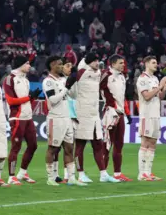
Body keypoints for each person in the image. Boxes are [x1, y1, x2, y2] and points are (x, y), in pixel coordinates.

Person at [69, 53, 119, 183]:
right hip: (82, 114)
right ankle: (80, 174)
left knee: (98, 145)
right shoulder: (82, 72)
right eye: (94, 61)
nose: (97, 63)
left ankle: (103, 174)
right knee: (80, 146)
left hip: (94, 115)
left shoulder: (97, 74)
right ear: (88, 62)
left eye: (98, 60)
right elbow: (71, 80)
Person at [42, 56, 84, 186]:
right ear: (52, 65)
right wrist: (66, 87)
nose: (62, 66)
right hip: (55, 118)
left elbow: (74, 95)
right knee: (52, 149)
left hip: (67, 118)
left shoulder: (62, 79)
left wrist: (74, 81)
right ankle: (50, 178)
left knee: (69, 148)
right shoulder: (48, 81)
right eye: (60, 64)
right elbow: (53, 100)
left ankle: (71, 178)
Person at [3, 56, 41, 185]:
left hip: (28, 117)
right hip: (17, 117)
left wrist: (32, 98)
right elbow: (11, 101)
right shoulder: (9, 79)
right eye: (27, 63)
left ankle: (22, 172)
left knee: (33, 145)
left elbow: (26, 100)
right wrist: (28, 98)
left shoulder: (26, 80)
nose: (29, 66)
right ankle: (11, 176)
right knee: (16, 147)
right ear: (20, 65)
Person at [136, 56, 166, 181]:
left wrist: (165, 87)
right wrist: (159, 86)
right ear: (146, 63)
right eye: (153, 62)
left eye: (156, 63)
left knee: (152, 144)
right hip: (146, 114)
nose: (156, 65)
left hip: (156, 114)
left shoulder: (155, 79)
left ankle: (148, 172)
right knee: (145, 142)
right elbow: (146, 96)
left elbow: (159, 97)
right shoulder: (142, 79)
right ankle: (141, 174)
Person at [100, 55, 133, 181]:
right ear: (113, 64)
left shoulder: (122, 77)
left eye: (123, 63)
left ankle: (118, 174)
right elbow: (94, 87)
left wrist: (128, 113)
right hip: (110, 112)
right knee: (107, 144)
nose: (123, 65)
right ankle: (103, 174)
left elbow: (122, 97)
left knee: (119, 145)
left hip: (120, 114)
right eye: (120, 63)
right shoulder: (106, 76)